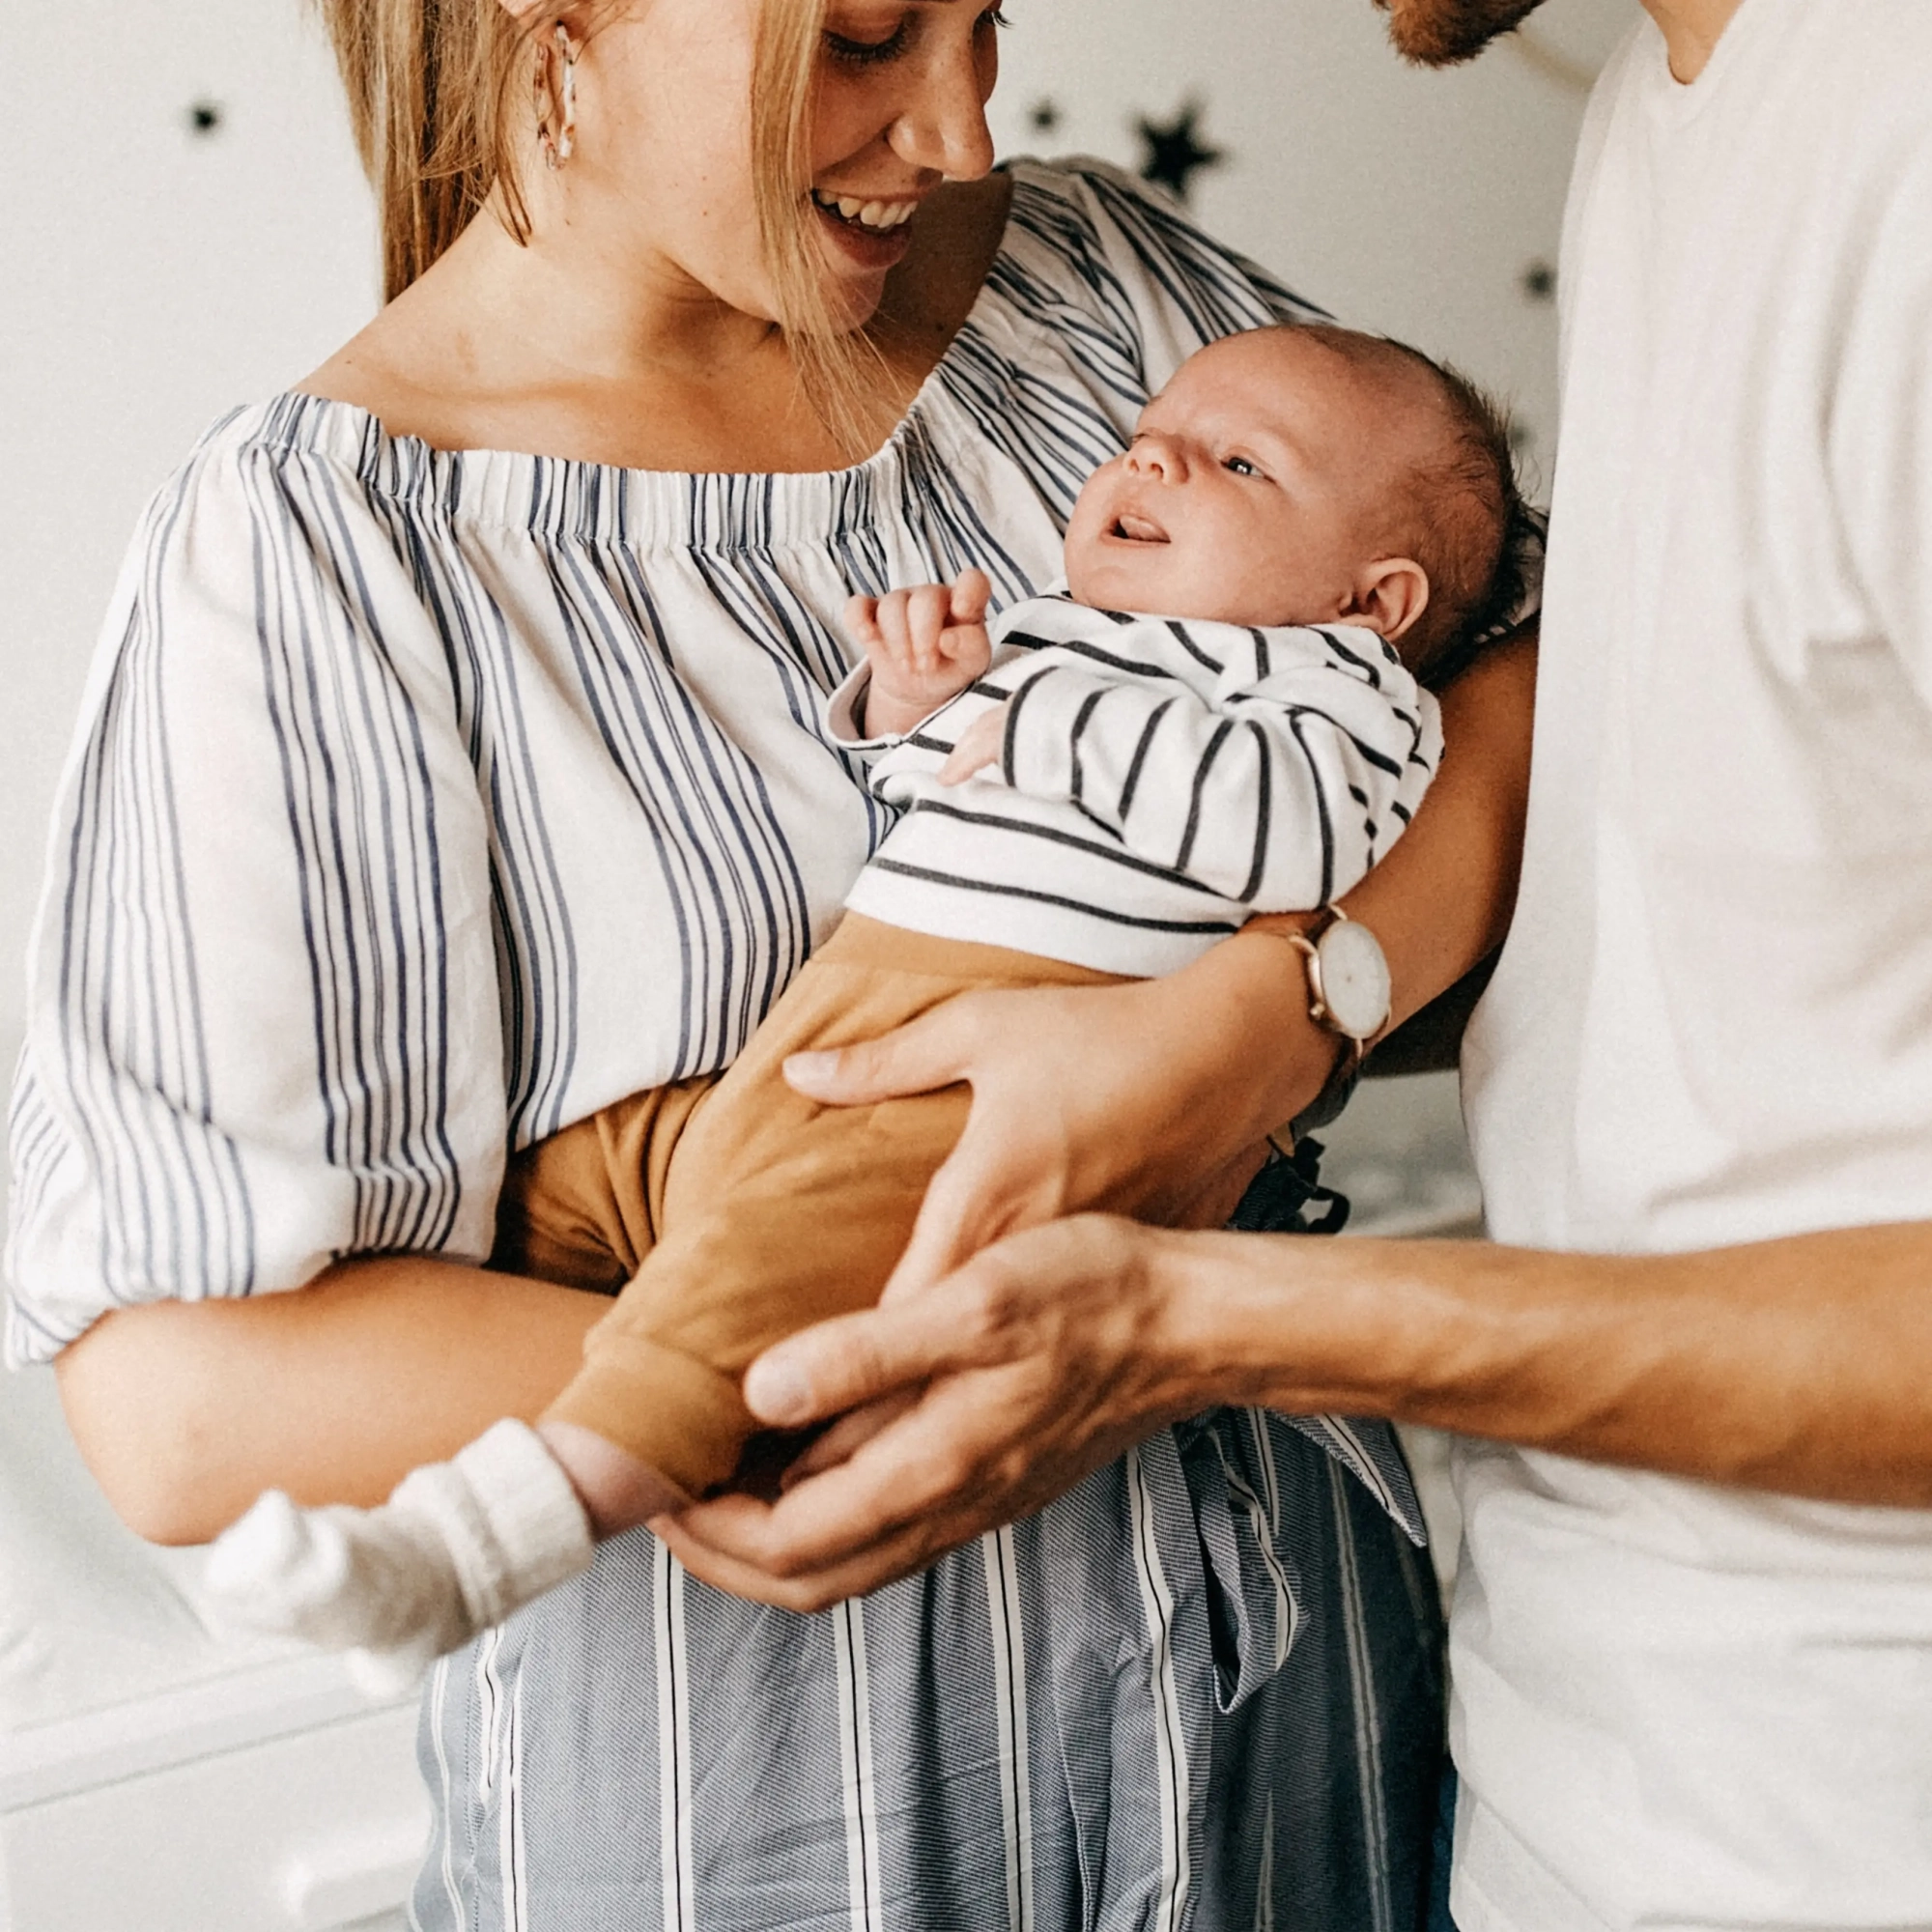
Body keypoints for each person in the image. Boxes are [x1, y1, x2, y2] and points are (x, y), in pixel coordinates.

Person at [6, 2, 1541, 1925]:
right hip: (765, 1810)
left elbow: (1517, 666)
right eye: (872, 33)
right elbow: (182, 1404)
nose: (965, 127)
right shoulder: (326, 554)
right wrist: (959, 1359)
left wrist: (1281, 1015)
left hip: (1290, 1687)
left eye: (987, 21)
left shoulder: (1098, 293)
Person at [674, 2, 1932, 1928]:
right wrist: (1281, 1009)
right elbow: (1585, 716)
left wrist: (1200, 1311)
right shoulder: (1662, 124)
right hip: (1577, 1775)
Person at [197, 321, 1521, 1679]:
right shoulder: (1061, 635)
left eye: (1236, 461)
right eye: (1146, 438)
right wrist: (915, 700)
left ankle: (474, 1551)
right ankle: (430, 1444)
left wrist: (1041, 714)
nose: (1156, 462)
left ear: (1376, 600)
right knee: (569, 1178)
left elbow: (1273, 840)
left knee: (744, 1285)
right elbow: (932, 789)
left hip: (973, 1092)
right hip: (829, 1041)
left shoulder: (1341, 697)